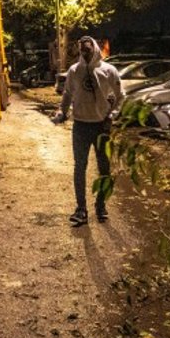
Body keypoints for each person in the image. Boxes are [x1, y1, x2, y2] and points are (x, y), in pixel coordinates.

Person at [53, 35, 123, 226]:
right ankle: (81, 209)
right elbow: (67, 94)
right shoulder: (74, 71)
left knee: (104, 169)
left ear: (95, 49)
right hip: (81, 126)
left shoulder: (109, 70)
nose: (85, 53)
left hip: (102, 126)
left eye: (88, 49)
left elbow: (121, 96)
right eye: (82, 50)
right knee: (79, 168)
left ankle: (101, 205)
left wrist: (112, 116)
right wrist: (62, 112)